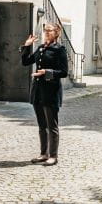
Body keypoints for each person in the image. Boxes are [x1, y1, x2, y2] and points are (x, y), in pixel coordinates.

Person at [20, 23, 68, 166]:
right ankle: (43, 153)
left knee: (51, 125)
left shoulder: (59, 50)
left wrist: (47, 72)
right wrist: (26, 46)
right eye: (45, 30)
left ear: (56, 32)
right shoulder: (41, 48)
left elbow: (64, 72)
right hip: (38, 91)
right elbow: (25, 62)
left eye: (49, 30)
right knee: (42, 125)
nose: (46, 32)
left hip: (51, 92)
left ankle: (53, 156)